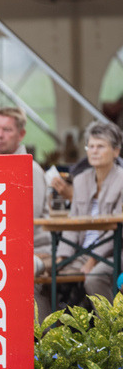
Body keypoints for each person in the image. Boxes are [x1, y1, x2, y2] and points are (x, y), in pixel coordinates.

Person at [50, 121, 123, 304]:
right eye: (90, 146)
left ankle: (109, 329)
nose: (94, 151)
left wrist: (92, 260)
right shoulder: (81, 180)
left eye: (100, 146)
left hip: (114, 252)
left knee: (94, 278)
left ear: (116, 151)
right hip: (80, 252)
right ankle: (52, 330)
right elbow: (72, 224)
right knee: (45, 274)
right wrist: (61, 257)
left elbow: (116, 228)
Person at [0, 107, 51, 263]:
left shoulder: (30, 169)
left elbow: (27, 219)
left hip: (33, 251)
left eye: (7, 130)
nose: (0, 135)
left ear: (21, 134)